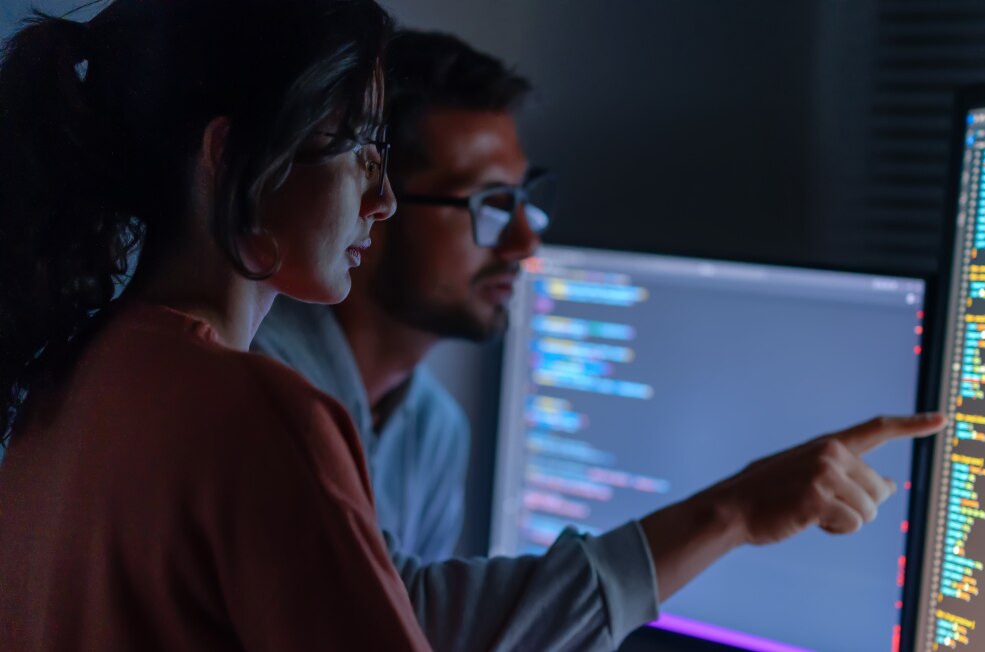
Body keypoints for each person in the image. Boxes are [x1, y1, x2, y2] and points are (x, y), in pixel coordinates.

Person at [253, 30, 946, 651]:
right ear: (373, 201)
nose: (527, 241)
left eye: (527, 200)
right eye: (489, 204)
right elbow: (400, 623)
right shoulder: (263, 388)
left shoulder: (433, 433)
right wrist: (734, 511)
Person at [0, 1, 432, 650]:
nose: (385, 200)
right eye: (362, 149)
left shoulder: (54, 393)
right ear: (232, 156)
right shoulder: (263, 417)